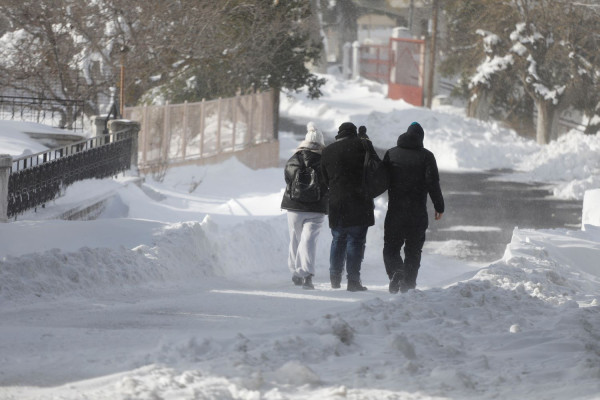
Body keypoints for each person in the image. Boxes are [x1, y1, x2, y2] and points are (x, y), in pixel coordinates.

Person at [382, 122, 445, 294]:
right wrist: (439, 206)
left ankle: (396, 271)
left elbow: (381, 180)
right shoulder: (427, 156)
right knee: (413, 250)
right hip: (417, 213)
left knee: (391, 247)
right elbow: (433, 183)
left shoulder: (391, 154)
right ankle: (408, 285)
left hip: (395, 211)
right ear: (421, 138)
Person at [321, 122, 380, 292]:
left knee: (338, 239)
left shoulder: (328, 151)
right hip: (360, 201)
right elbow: (376, 167)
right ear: (354, 133)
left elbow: (325, 179)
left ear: (339, 134)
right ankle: (353, 281)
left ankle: (334, 277)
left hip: (337, 202)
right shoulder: (363, 145)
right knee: (356, 240)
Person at [281, 122, 329, 290]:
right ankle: (307, 274)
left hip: (294, 206)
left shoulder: (294, 158)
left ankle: (295, 272)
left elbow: (288, 179)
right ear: (320, 142)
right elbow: (327, 182)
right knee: (309, 240)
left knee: (295, 239)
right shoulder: (325, 160)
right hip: (316, 207)